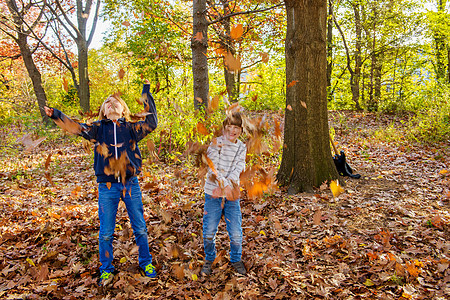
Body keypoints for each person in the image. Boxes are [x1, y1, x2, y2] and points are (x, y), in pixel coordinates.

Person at [44, 82, 158, 287]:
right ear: (103, 112)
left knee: (139, 227)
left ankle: (146, 262)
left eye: (115, 102)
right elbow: (76, 127)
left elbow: (152, 123)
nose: (111, 104)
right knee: (106, 231)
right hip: (107, 188)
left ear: (123, 109)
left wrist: (146, 94)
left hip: (130, 184)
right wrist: (56, 114)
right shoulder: (98, 129)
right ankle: (106, 269)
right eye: (107, 103)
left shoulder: (131, 128)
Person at [201, 112, 247, 276]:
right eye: (229, 127)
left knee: (235, 232)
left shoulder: (241, 147)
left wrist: (229, 186)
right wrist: (224, 185)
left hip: (231, 197)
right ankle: (209, 258)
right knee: (208, 232)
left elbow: (239, 166)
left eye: (236, 128)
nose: (232, 131)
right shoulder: (216, 144)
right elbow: (213, 169)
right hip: (213, 194)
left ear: (241, 130)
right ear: (223, 129)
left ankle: (235, 259)